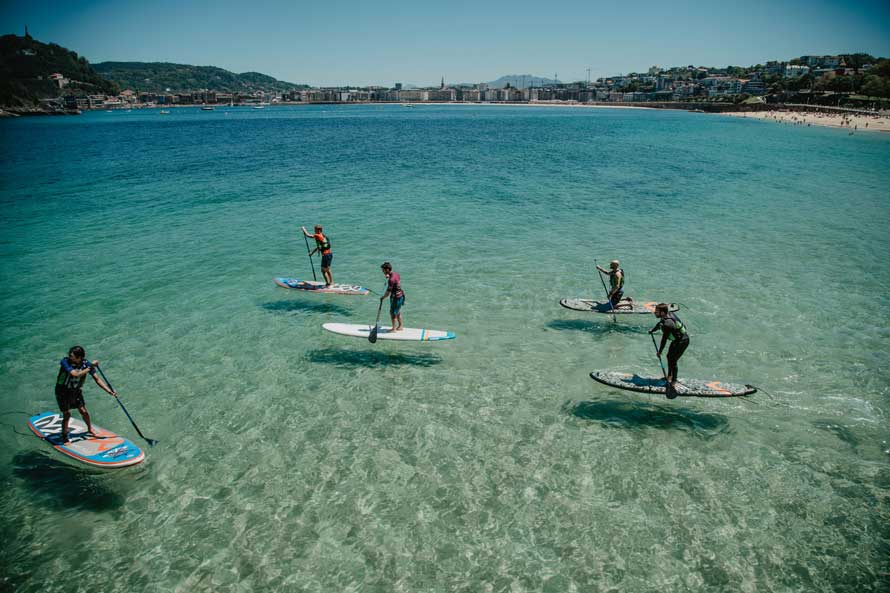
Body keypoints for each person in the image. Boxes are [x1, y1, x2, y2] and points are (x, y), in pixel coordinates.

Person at [55, 345, 117, 443]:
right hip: (62, 391)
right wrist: (91, 366)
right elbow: (75, 374)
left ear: (79, 357)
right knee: (67, 415)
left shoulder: (85, 363)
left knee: (84, 411)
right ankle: (64, 436)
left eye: (72, 355)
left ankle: (90, 429)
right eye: (70, 355)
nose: (69, 356)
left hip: (75, 391)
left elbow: (97, 379)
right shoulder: (65, 362)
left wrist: (109, 391)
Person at [649, 304, 689, 399]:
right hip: (677, 340)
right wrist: (652, 330)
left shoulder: (668, 324)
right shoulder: (666, 316)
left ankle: (673, 382)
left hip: (682, 341)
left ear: (662, 312)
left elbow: (664, 339)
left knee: (673, 360)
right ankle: (669, 377)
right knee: (669, 357)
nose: (654, 312)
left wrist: (659, 351)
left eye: (656, 311)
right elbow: (659, 324)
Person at [379, 262, 405, 332]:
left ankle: (394, 329)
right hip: (401, 295)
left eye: (383, 270)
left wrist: (383, 297)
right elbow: (395, 281)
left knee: (392, 313)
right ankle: (400, 326)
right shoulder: (396, 274)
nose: (382, 272)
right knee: (398, 311)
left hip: (396, 298)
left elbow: (388, 292)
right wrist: (388, 276)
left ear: (387, 269)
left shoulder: (391, 280)